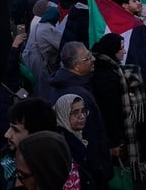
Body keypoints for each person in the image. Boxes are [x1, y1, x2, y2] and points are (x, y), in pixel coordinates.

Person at [47, 42, 113, 186]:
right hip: (88, 169)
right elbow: (89, 134)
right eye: (88, 58)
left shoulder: (61, 84)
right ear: (76, 66)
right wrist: (101, 167)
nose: (93, 59)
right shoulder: (77, 95)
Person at [90, 33, 146, 180]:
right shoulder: (106, 76)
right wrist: (114, 142)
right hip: (113, 134)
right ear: (111, 50)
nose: (125, 51)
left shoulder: (110, 68)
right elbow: (110, 112)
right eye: (121, 48)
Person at [1, 98, 57, 190]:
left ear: (35, 135)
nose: (7, 134)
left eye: (15, 129)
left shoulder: (56, 174)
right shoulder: (6, 159)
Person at [52, 94, 98, 190]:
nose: (82, 116)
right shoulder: (62, 143)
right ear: (63, 114)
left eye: (83, 111)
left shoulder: (78, 135)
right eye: (75, 112)